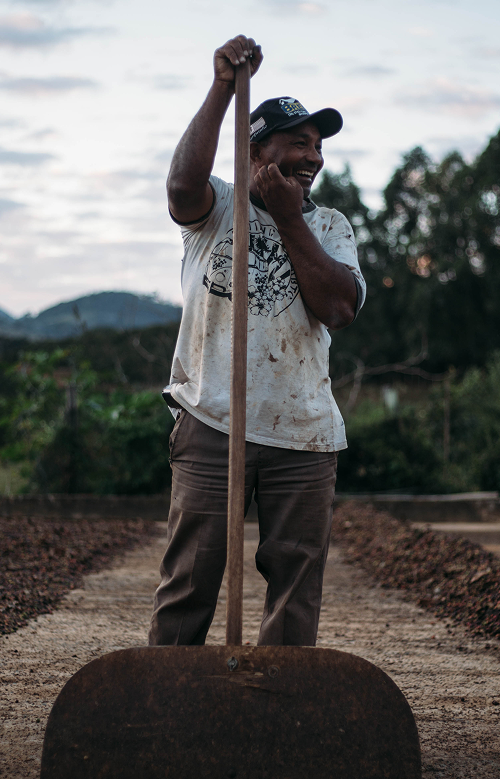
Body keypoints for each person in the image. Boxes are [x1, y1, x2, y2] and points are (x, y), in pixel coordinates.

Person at [148, 34, 365, 647]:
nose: (314, 157)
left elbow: (339, 306)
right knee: (188, 583)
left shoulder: (329, 225)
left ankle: (276, 721)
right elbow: (180, 187)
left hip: (304, 432)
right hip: (214, 422)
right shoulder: (216, 209)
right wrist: (222, 86)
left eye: (318, 146)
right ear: (256, 149)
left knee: (296, 592)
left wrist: (289, 216)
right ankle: (168, 721)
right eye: (298, 142)